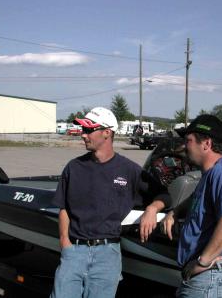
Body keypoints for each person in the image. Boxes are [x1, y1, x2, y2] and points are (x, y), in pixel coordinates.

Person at [50, 107, 167, 298]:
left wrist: (153, 209)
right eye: (83, 130)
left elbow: (163, 195)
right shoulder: (73, 168)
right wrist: (65, 242)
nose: (83, 135)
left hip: (107, 255)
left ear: (107, 132)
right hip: (74, 252)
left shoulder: (129, 170)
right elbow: (64, 208)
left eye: (89, 130)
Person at [140, 114, 222, 298]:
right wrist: (175, 212)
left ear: (206, 143)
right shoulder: (210, 175)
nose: (184, 146)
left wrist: (203, 262)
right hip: (207, 281)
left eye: (188, 140)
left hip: (211, 281)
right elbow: (197, 200)